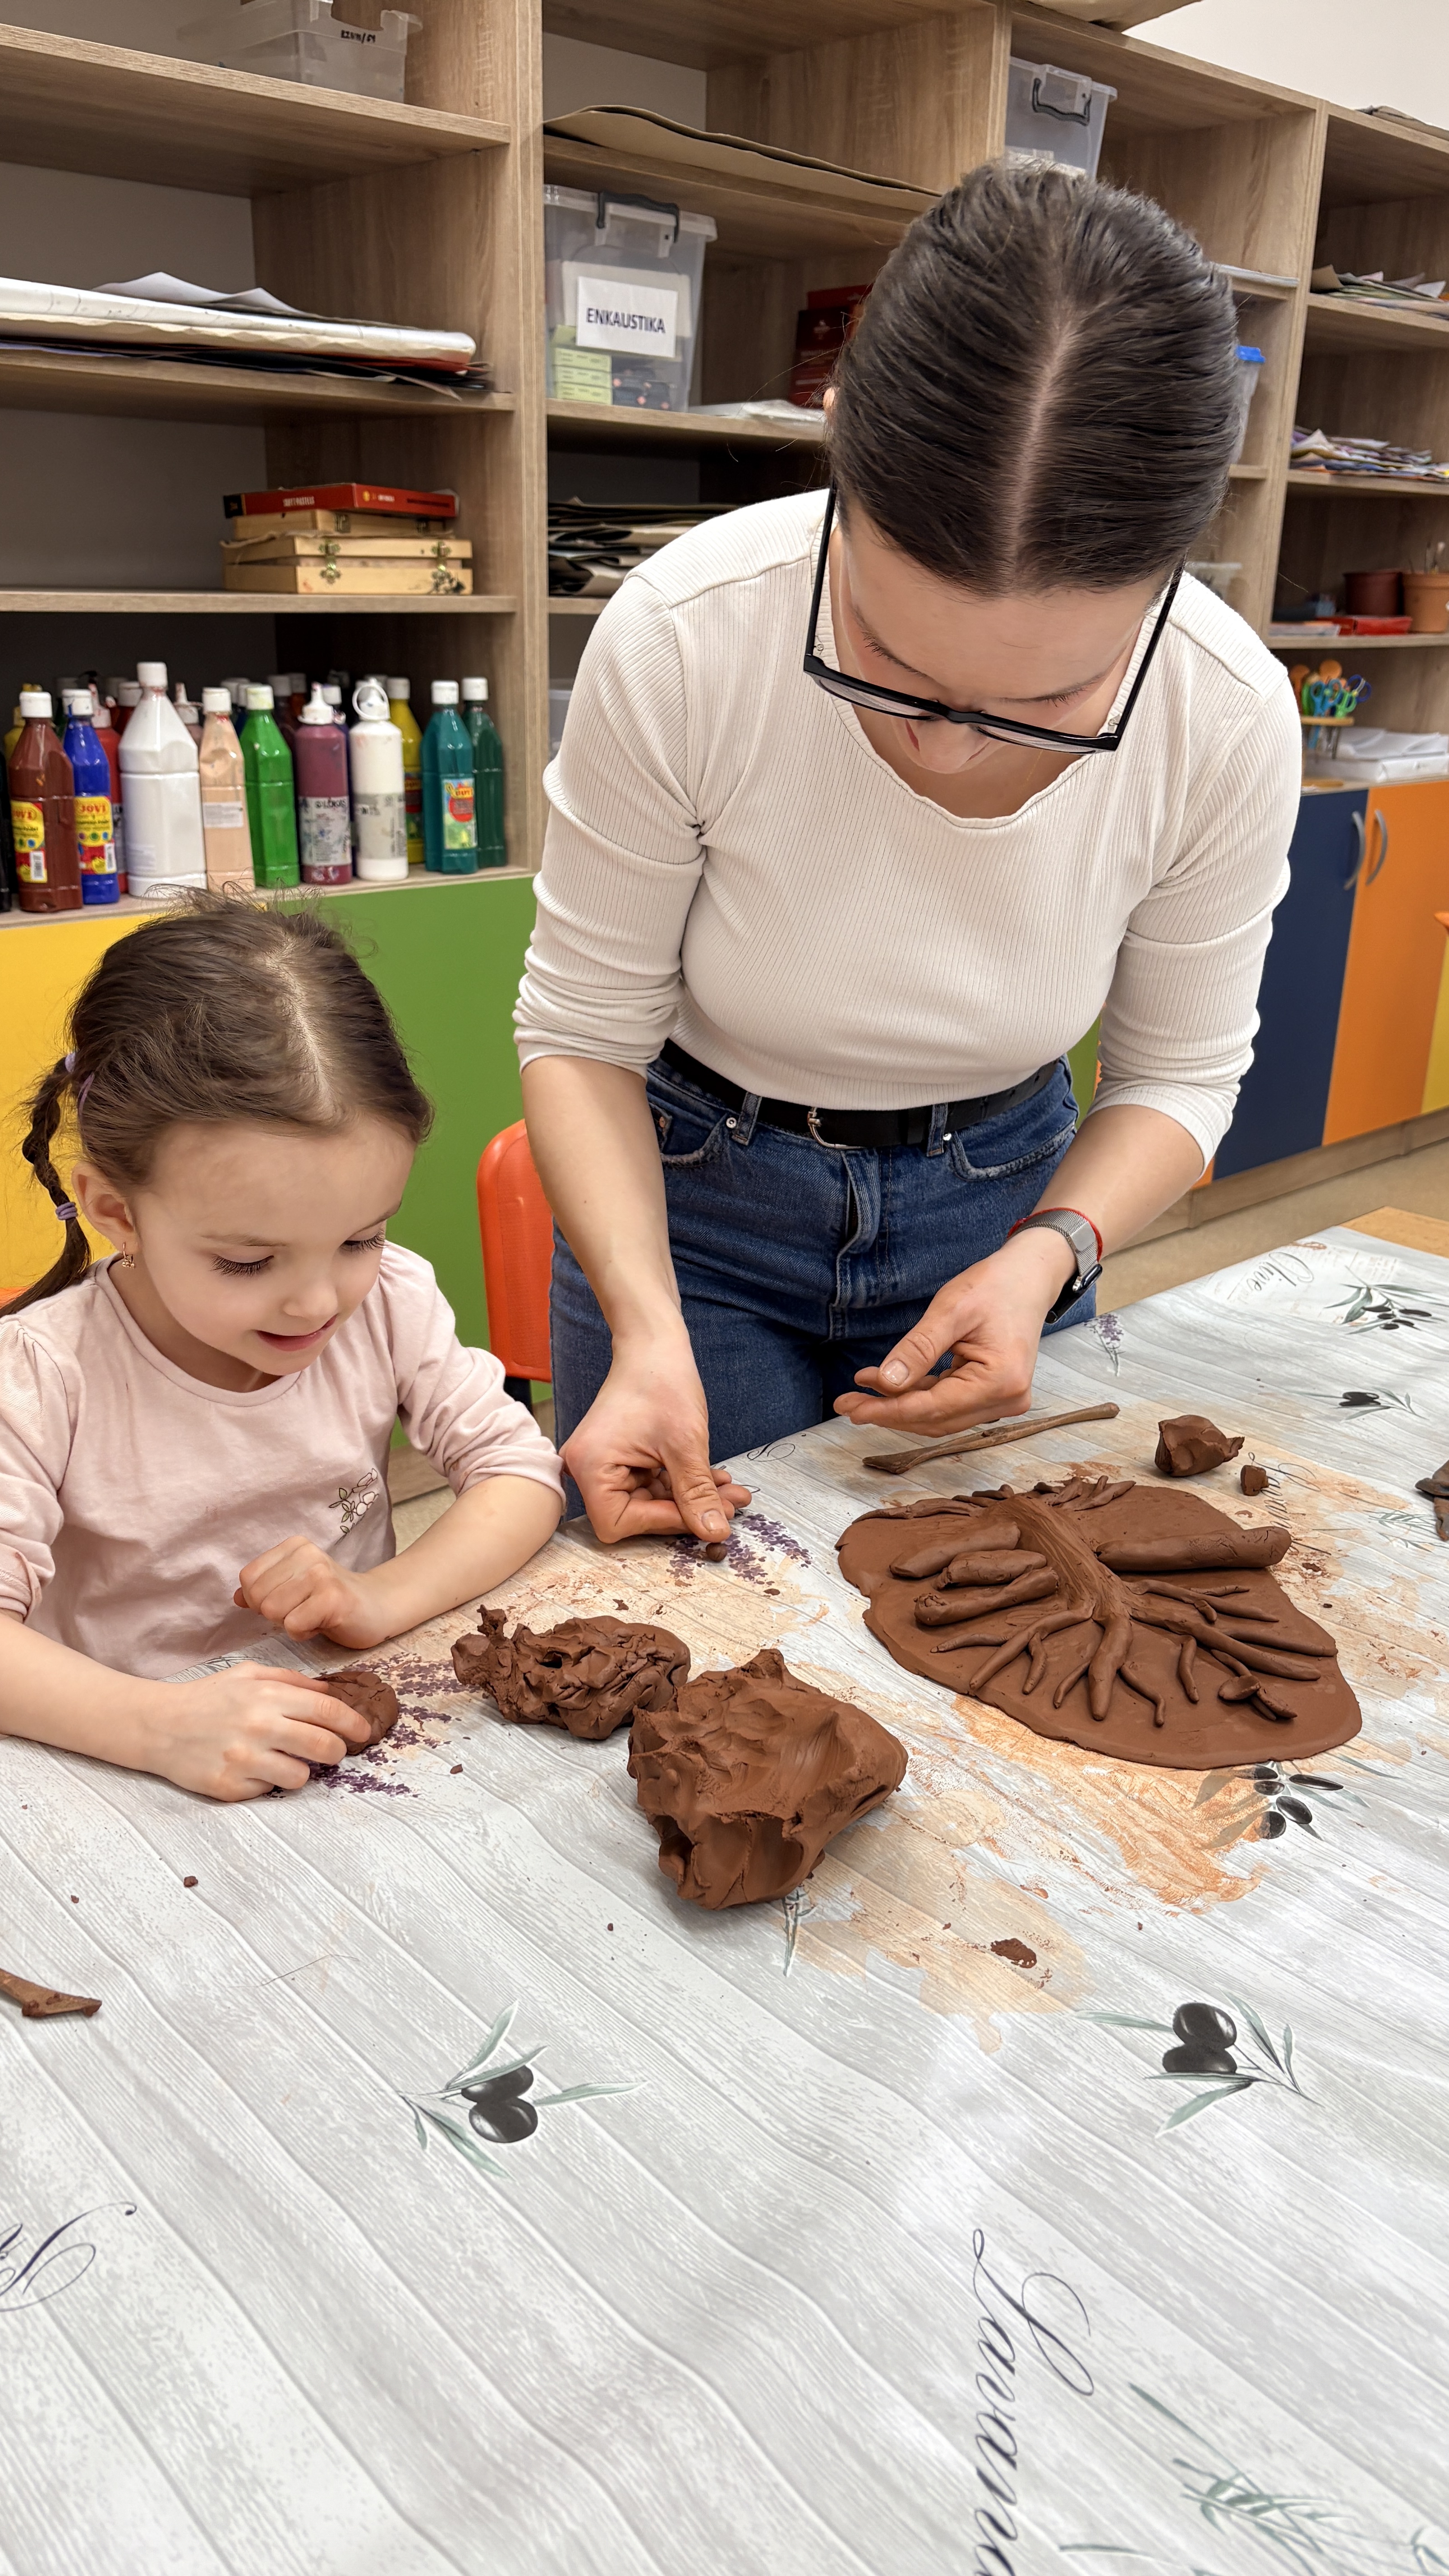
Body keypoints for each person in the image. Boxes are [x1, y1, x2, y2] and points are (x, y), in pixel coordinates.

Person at [517, 162, 1300, 1546]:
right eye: (881, 660)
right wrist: (643, 1327)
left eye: (1045, 700)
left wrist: (1048, 1255)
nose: (943, 749)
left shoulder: (1220, 711)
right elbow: (583, 1035)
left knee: (1005, 1614)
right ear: (835, 445)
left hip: (1001, 1206)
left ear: (1170, 572)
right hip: (692, 1214)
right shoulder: (690, 633)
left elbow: (1178, 1074)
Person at [0, 897, 562, 1800]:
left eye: (360, 1238)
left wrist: (381, 1597)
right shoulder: (41, 1377)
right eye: (247, 1261)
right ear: (115, 1212)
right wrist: (156, 1726)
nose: (317, 1302)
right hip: (129, 1776)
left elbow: (519, 1473)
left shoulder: (388, 1301)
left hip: (355, 1759)